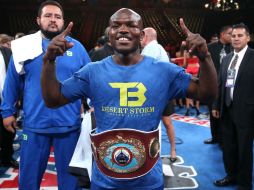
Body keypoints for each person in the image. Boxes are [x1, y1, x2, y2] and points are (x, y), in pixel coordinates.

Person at [41, 8, 217, 190]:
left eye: (131, 25)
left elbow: (207, 94)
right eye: (116, 26)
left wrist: (205, 57)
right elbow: (53, 99)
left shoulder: (164, 71)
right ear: (110, 34)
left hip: (148, 180)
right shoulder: (92, 72)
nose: (123, 29)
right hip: (104, 181)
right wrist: (49, 61)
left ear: (141, 36)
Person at [0, 0, 91, 189]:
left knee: (70, 182)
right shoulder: (24, 46)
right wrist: (7, 111)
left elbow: (90, 81)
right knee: (28, 180)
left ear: (63, 21)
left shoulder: (77, 48)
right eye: (48, 15)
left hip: (69, 125)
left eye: (57, 17)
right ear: (38, 20)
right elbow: (12, 81)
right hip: (34, 125)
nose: (53, 20)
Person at [213, 23, 254, 190]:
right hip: (226, 110)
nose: (235, 38)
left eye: (240, 35)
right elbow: (222, 84)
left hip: (247, 112)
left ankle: (245, 184)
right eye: (233, 36)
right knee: (228, 147)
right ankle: (231, 175)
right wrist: (217, 104)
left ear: (248, 38)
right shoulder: (227, 59)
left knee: (244, 150)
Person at [140, 27, 176, 161]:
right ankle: (173, 151)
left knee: (150, 125)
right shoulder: (160, 49)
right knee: (168, 123)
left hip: (153, 95)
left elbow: (143, 73)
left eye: (141, 37)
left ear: (145, 36)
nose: (139, 41)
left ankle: (151, 154)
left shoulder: (149, 49)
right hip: (164, 92)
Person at [204, 25, 232, 145]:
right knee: (213, 111)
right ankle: (215, 137)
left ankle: (225, 138)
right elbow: (204, 65)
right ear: (222, 34)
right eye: (230, 34)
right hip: (214, 84)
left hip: (229, 84)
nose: (232, 37)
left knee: (227, 112)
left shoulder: (234, 48)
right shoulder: (210, 48)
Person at [0, 45, 19, 169]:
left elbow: (15, 76)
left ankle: (7, 158)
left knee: (9, 133)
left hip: (7, 100)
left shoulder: (6, 51)